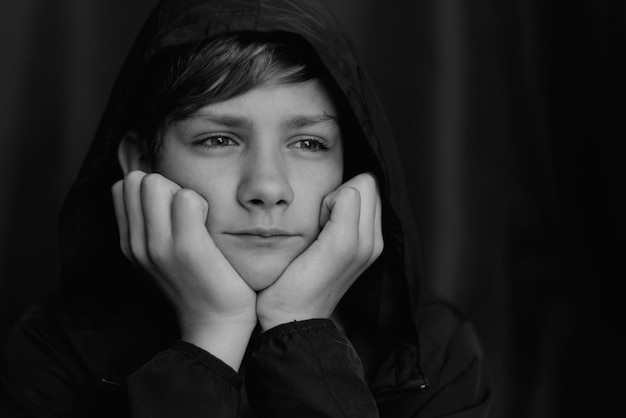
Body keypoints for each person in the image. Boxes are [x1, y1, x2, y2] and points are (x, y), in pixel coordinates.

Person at [0, 0, 491, 416]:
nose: (267, 187)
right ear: (141, 163)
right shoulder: (53, 355)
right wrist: (212, 335)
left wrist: (301, 328)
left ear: (353, 168)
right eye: (218, 139)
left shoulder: (436, 352)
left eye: (308, 143)